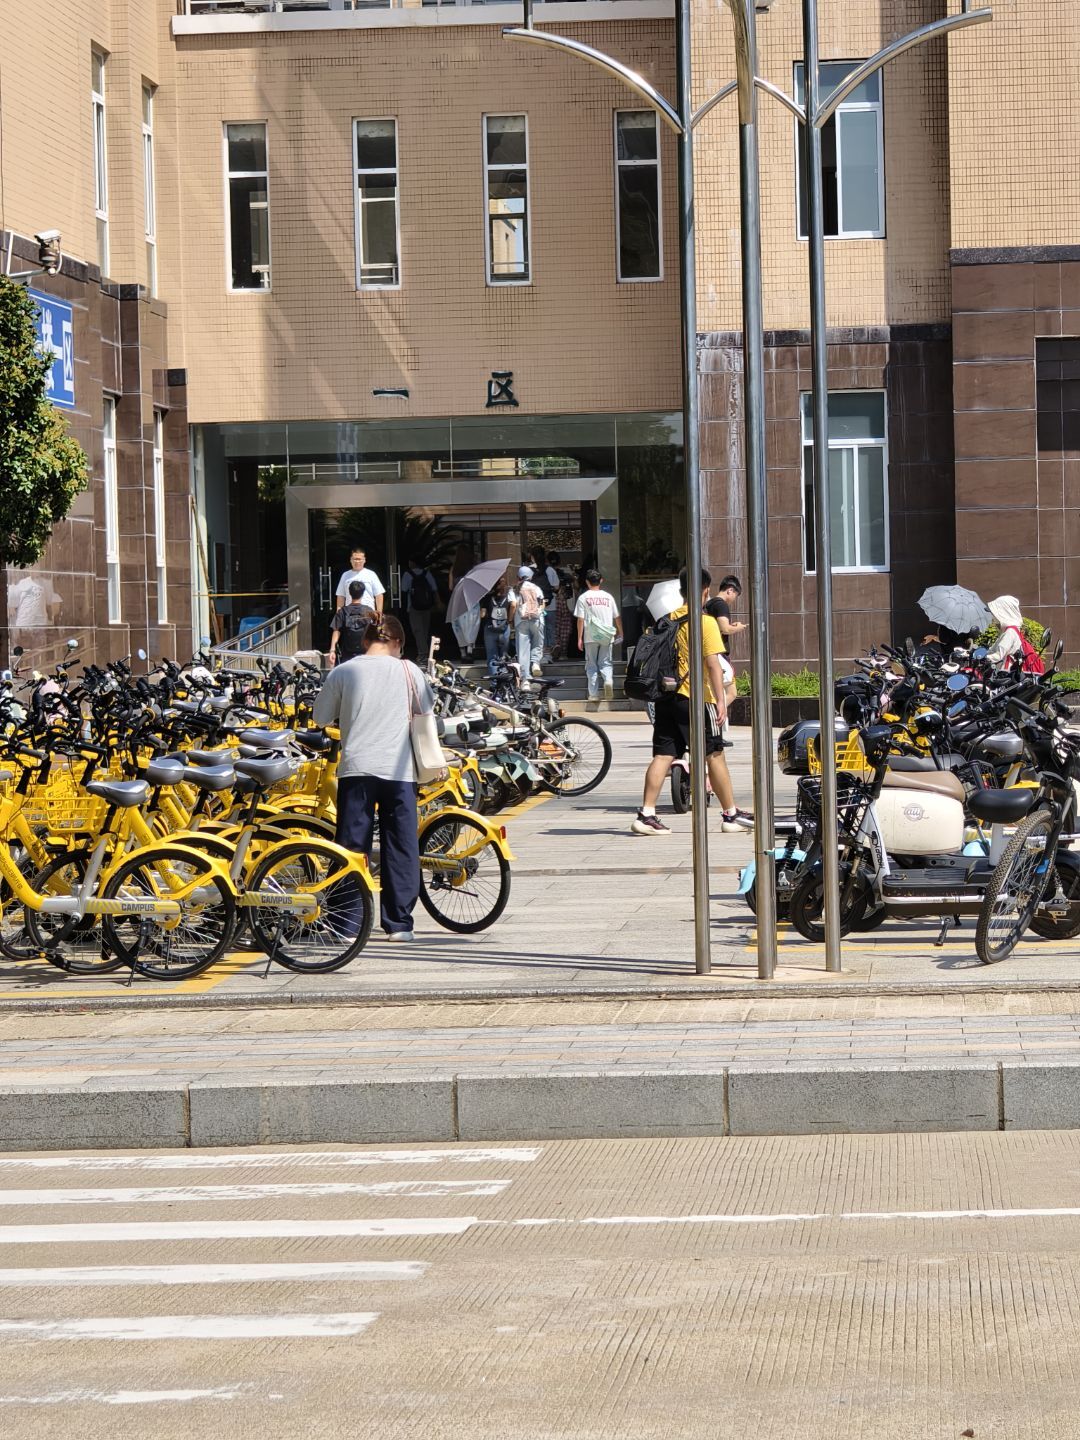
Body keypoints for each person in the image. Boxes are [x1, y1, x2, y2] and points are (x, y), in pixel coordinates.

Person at [313, 614, 435, 941]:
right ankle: (399, 924)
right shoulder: (410, 670)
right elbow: (426, 709)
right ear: (397, 642)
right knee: (402, 845)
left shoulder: (345, 671)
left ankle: (346, 924)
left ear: (365, 641)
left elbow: (320, 716)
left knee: (352, 845)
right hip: (400, 770)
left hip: (357, 768)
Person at [631, 567, 753, 837]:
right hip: (696, 699)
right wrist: (720, 700)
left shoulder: (666, 620)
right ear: (706, 590)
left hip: (666, 696)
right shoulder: (705, 622)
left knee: (664, 754)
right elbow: (713, 666)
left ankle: (646, 814)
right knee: (714, 753)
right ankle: (730, 814)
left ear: (681, 590)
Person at [574, 569, 623, 704]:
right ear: (601, 581)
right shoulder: (608, 597)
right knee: (606, 662)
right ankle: (608, 680)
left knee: (591, 665)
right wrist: (621, 632)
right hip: (607, 635)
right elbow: (617, 617)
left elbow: (580, 619)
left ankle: (594, 694)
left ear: (587, 582)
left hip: (590, 636)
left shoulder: (583, 598)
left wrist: (579, 638)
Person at [328, 580, 377, 665]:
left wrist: (332, 650)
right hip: (365, 653)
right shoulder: (369, 611)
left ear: (349, 593)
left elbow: (336, 630)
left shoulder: (342, 612)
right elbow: (375, 631)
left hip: (347, 654)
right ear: (362, 593)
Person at [401, 557, 438, 663]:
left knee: (417, 630)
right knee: (424, 630)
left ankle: (423, 654)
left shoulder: (407, 574)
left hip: (413, 606)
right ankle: (424, 653)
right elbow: (434, 588)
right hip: (426, 606)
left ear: (412, 562)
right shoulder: (427, 573)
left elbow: (404, 589)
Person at [480, 573, 517, 675]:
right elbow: (513, 605)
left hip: (490, 629)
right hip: (504, 628)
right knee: (504, 656)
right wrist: (510, 620)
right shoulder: (508, 596)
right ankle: (504, 678)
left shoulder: (487, 597)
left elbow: (482, 615)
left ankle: (494, 680)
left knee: (492, 657)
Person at [514, 565, 546, 681]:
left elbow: (513, 604)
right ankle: (535, 663)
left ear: (518, 577)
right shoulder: (537, 588)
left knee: (523, 650)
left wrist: (510, 619)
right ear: (531, 577)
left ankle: (525, 678)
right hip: (537, 619)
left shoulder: (515, 589)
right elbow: (542, 603)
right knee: (537, 643)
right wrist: (539, 612)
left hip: (521, 621)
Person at [334, 546, 385, 615]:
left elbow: (379, 595)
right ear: (350, 560)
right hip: (350, 615)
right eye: (355, 559)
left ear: (364, 560)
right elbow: (341, 596)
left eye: (360, 559)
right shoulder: (345, 575)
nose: (357, 561)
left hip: (368, 614)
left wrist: (379, 613)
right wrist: (339, 614)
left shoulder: (371, 574)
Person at [707, 575, 746, 651]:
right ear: (730, 590)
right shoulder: (722, 605)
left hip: (710, 648)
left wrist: (731, 626)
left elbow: (718, 627)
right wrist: (738, 628)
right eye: (735, 595)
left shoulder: (710, 603)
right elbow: (725, 629)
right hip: (718, 651)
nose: (734, 599)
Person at [986, 597, 1025, 668]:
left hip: (1006, 671)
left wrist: (980, 658)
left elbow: (998, 656)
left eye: (994, 613)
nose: (992, 617)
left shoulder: (1010, 632)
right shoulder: (1009, 630)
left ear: (1003, 613)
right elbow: (993, 650)